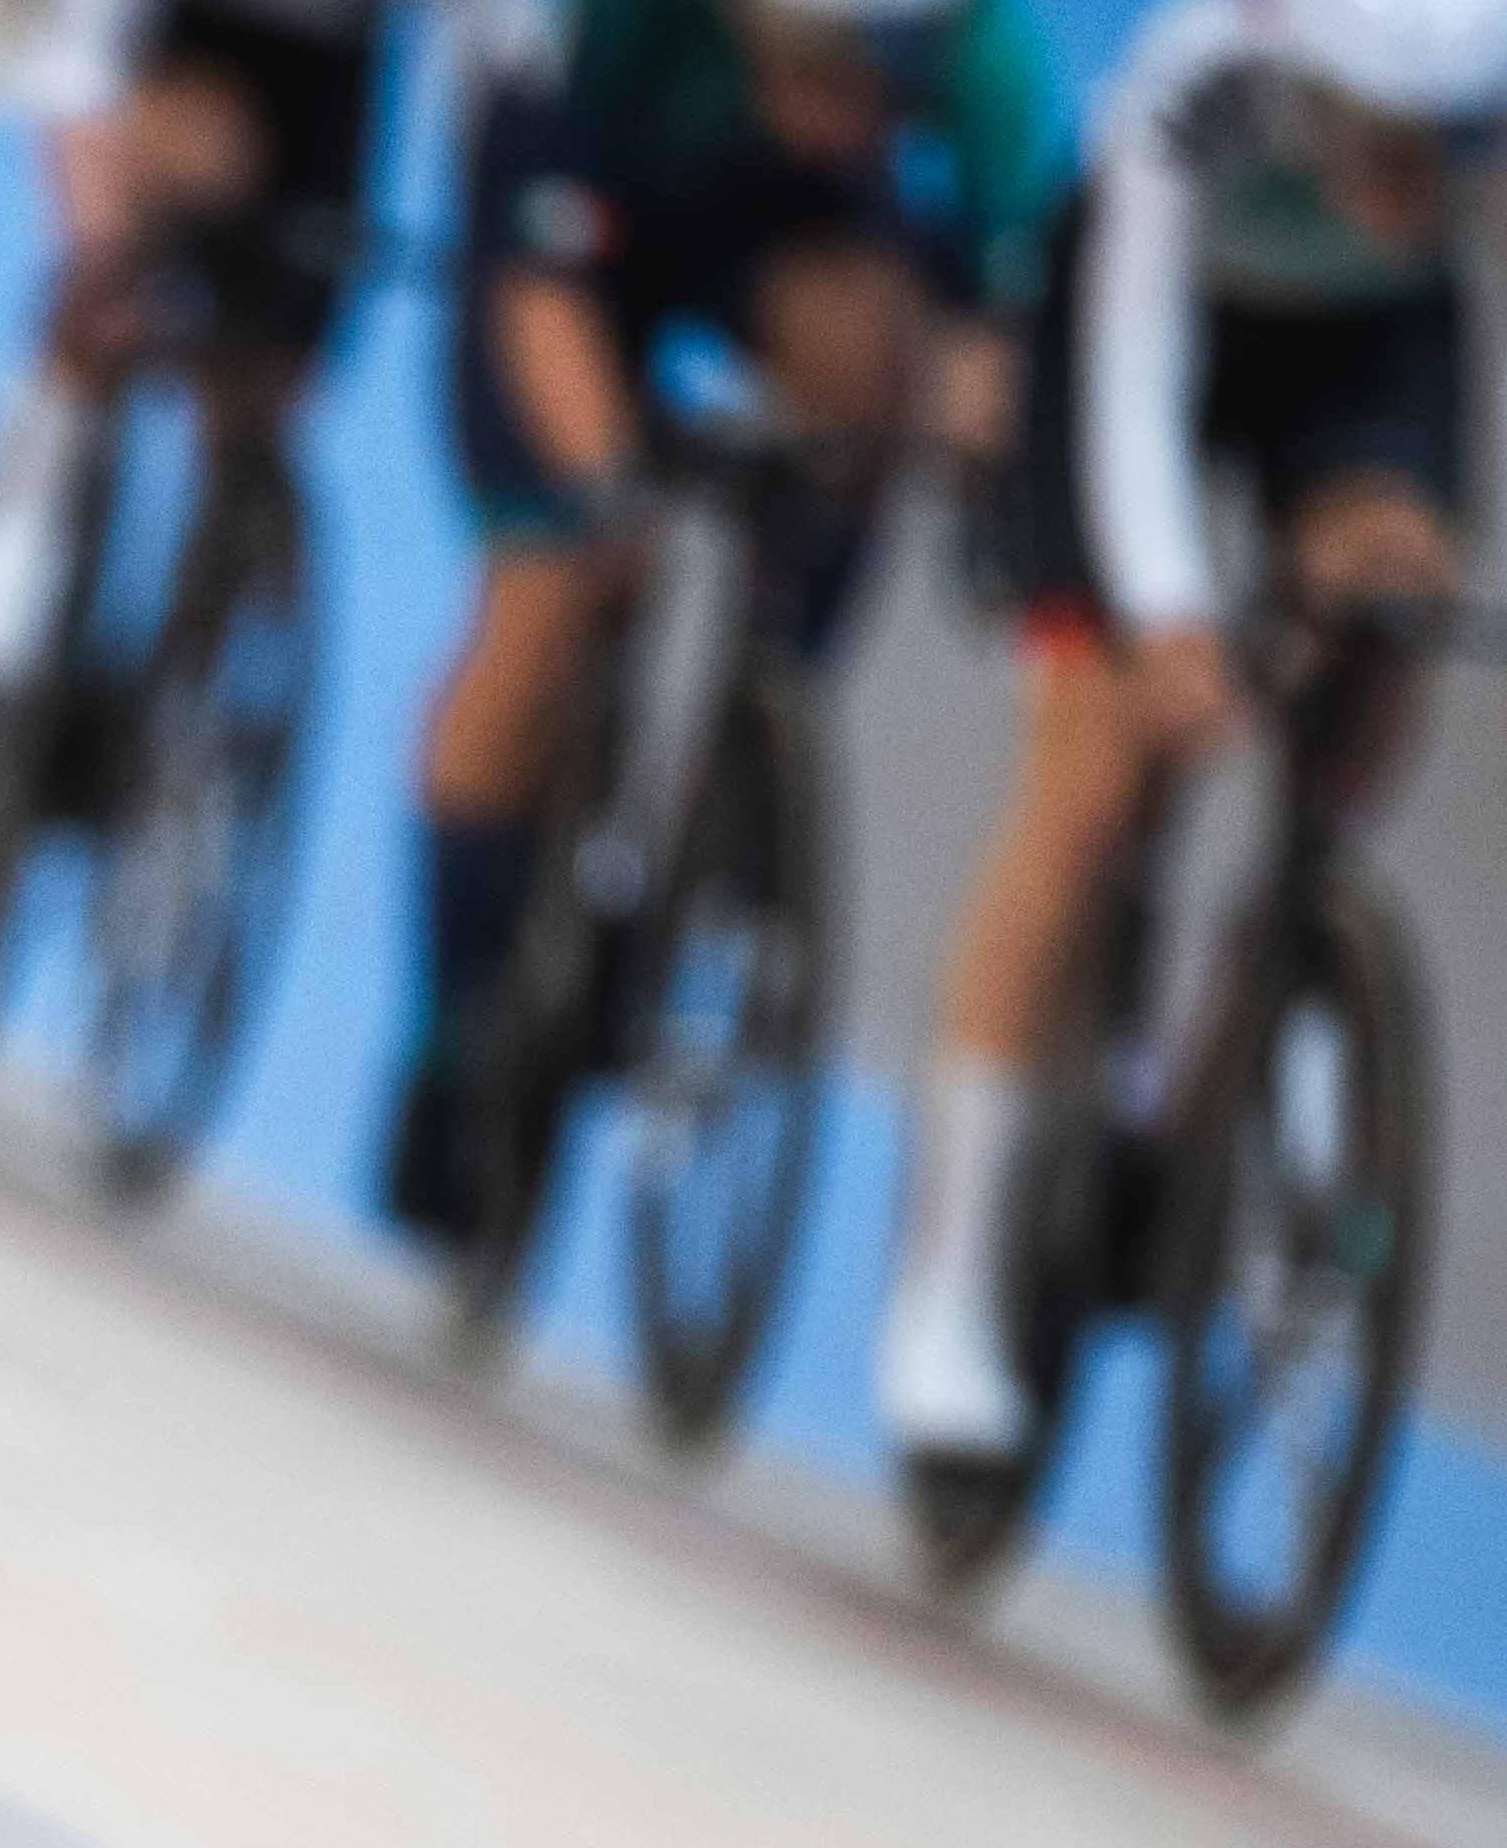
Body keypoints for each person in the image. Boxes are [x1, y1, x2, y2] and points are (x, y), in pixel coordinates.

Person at [866, 0, 1507, 1538]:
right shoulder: (1190, 89)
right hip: (1142, 322)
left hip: (1358, 348)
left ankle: (1250, 992)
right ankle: (945, 1284)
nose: (1414, 181)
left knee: (1388, 607)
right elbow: (1134, 385)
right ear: (1302, 86)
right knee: (1086, 782)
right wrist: (1161, 622)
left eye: (1447, 149)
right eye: (1376, 145)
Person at [380, 0, 1072, 1250]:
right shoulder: (592, 32)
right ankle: (452, 1030)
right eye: (822, 73)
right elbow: (539, 294)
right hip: (587, 202)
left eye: (886, 84)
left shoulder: (986, 65)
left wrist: (956, 458)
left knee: (870, 376)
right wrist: (598, 495)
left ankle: (745, 743)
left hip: (787, 230)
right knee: (552, 587)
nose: (855, 114)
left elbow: (986, 343)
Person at [0, 0, 420, 704]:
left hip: (333, 64)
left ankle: (202, 659)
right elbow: (79, 68)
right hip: (179, 42)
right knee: (106, 298)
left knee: (269, 381)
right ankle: (8, 538)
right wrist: (90, 161)